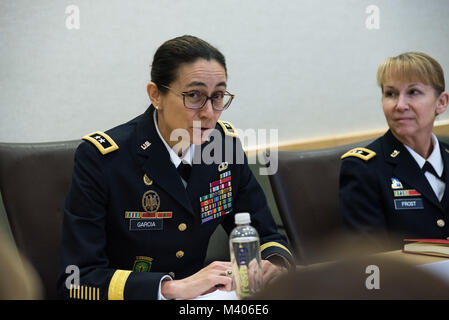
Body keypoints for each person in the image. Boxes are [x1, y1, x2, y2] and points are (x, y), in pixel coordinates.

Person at [57, 35, 294, 300]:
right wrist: (168, 288)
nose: (209, 113)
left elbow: (266, 234)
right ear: (156, 94)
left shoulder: (223, 148)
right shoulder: (104, 159)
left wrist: (275, 267)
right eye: (194, 96)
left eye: (217, 97)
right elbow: (76, 279)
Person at [339, 52, 449, 248]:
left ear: (441, 103)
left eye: (413, 92)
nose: (400, 105)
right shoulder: (364, 168)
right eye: (390, 94)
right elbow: (369, 257)